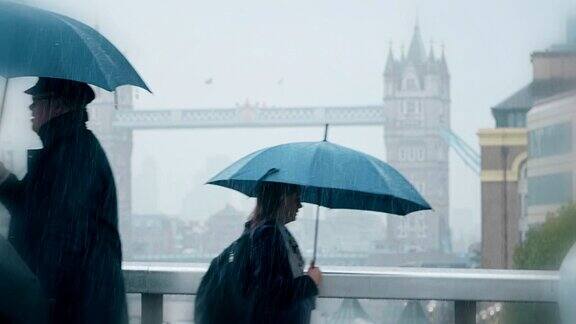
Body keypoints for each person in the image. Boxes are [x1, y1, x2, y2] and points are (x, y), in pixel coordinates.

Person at [0, 77, 128, 323]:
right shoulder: (66, 150)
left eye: (36, 100)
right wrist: (3, 178)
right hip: (78, 302)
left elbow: (63, 232)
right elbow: (35, 208)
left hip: (73, 306)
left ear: (57, 106)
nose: (30, 108)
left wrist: (46, 295)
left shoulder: (72, 155)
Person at [245, 182, 322, 324]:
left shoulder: (261, 231)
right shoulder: (268, 236)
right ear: (283, 199)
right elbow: (273, 291)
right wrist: (309, 282)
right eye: (297, 199)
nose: (300, 206)